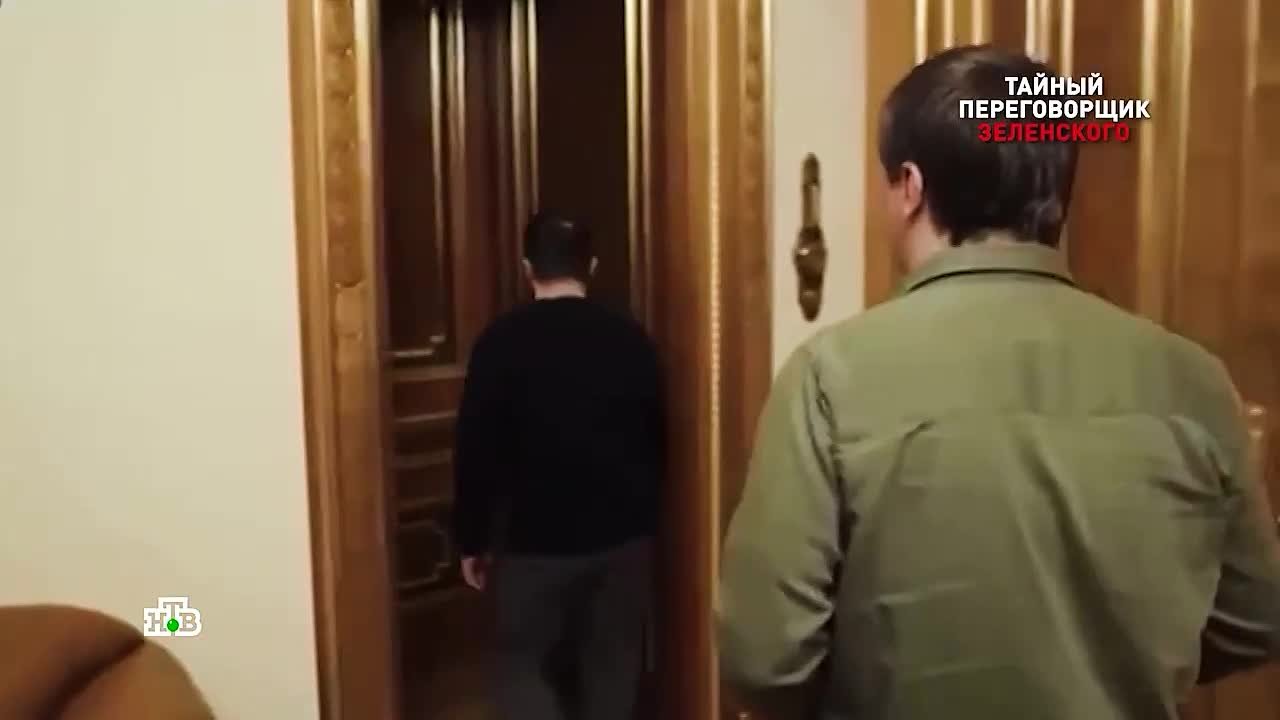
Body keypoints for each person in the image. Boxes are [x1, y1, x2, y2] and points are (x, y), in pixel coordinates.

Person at [718, 44, 1280, 720]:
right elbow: (1255, 617)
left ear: (910, 187)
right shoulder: (1192, 380)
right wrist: (1124, 660)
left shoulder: (829, 376)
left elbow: (765, 658)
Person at [452, 211, 664, 720]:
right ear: (591, 265)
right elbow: (656, 438)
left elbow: (476, 449)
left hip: (532, 543)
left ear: (527, 267)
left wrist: (471, 539)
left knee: (522, 668)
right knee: (612, 666)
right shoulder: (631, 339)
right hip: (621, 538)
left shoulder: (499, 342)